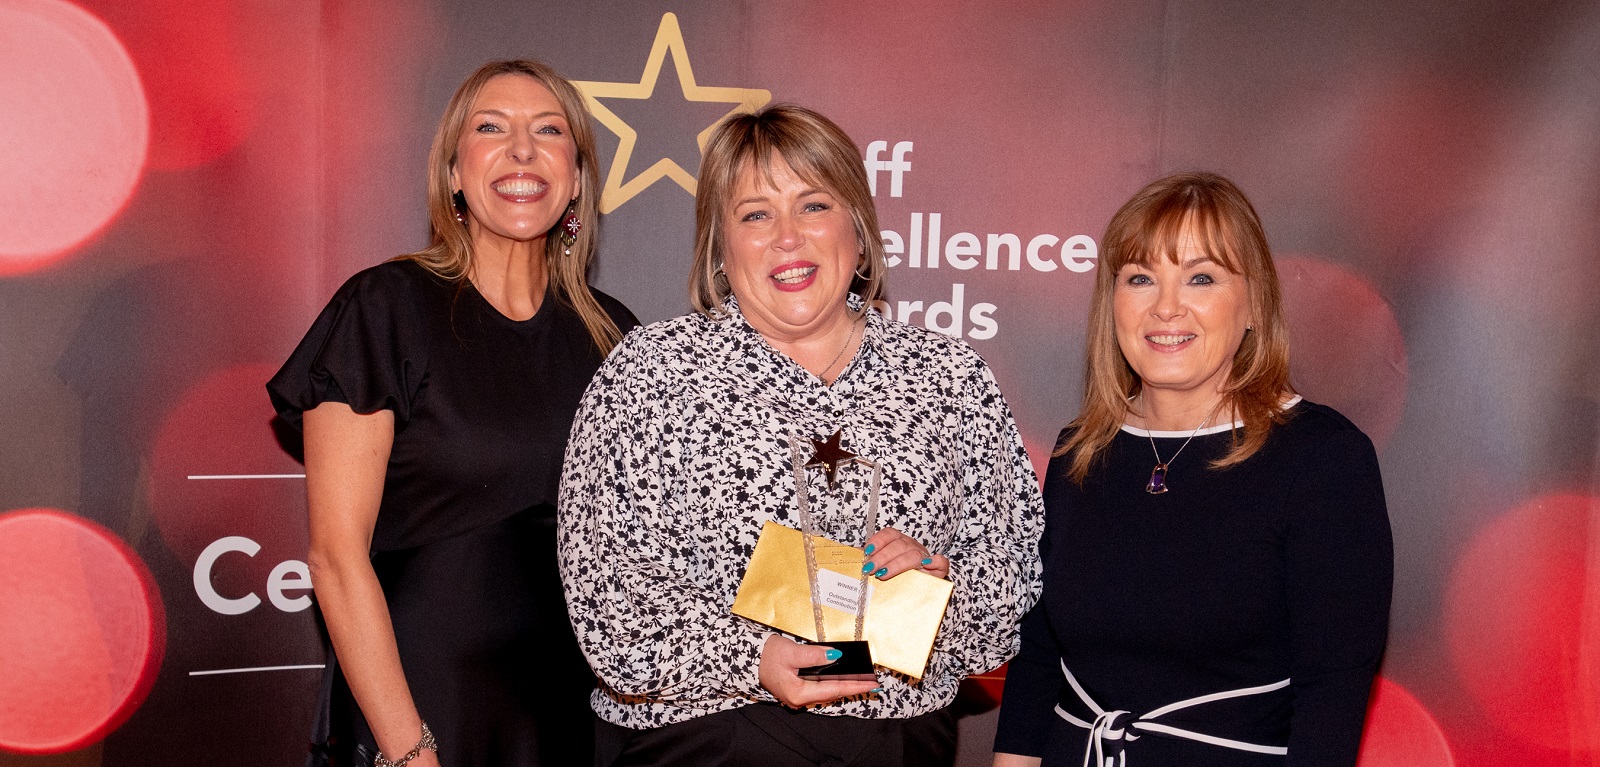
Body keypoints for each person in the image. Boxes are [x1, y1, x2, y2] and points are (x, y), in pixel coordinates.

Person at [557, 104, 1043, 767]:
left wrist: (943, 583)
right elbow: (604, 590)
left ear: (861, 232)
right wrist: (750, 656)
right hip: (710, 741)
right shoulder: (652, 372)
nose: (787, 235)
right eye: (755, 214)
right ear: (720, 248)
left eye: (813, 205)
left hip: (900, 743)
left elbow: (1006, 589)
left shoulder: (950, 379)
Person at [267, 59, 638, 767]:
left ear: (577, 179)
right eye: (491, 128)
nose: (523, 150)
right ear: (455, 174)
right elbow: (336, 557)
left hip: (569, 713)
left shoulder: (613, 335)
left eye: (549, 130)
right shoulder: (383, 310)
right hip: (420, 703)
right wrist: (409, 749)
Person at [993, 172, 1393, 767]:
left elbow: (1332, 694)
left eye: (1201, 277)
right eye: (1140, 278)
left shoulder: (1322, 458)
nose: (1166, 307)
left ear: (1254, 303)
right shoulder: (1081, 449)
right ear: (1114, 303)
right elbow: (1038, 663)